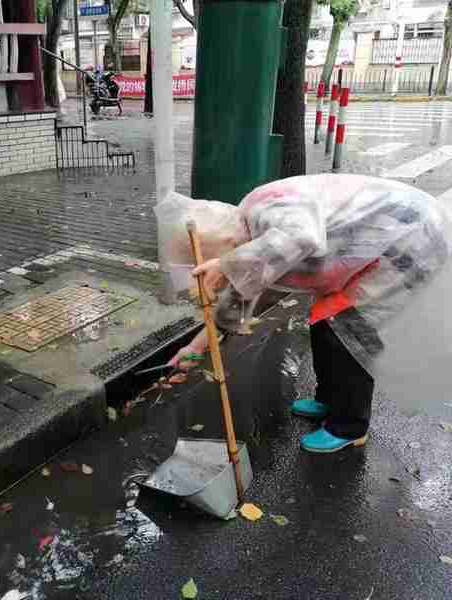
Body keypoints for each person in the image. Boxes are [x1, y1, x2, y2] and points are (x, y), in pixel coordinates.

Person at [162, 174, 452, 454]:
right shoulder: (248, 241)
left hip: (409, 238)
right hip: (375, 245)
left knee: (349, 329)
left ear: (224, 246)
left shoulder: (265, 211)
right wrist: (194, 349)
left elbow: (303, 236)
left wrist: (227, 265)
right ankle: (331, 399)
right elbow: (237, 301)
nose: (220, 279)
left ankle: (349, 427)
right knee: (326, 321)